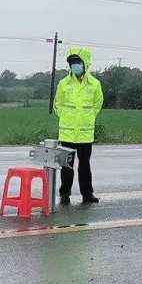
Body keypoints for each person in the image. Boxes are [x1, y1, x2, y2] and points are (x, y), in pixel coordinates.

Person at [53, 46, 104, 204]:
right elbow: (57, 105)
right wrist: (67, 118)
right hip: (67, 132)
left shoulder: (94, 84)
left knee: (84, 165)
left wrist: (86, 119)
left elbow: (97, 105)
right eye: (72, 63)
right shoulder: (64, 83)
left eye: (78, 62)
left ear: (85, 64)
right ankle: (64, 194)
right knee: (66, 166)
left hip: (84, 133)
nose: (74, 66)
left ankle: (87, 194)